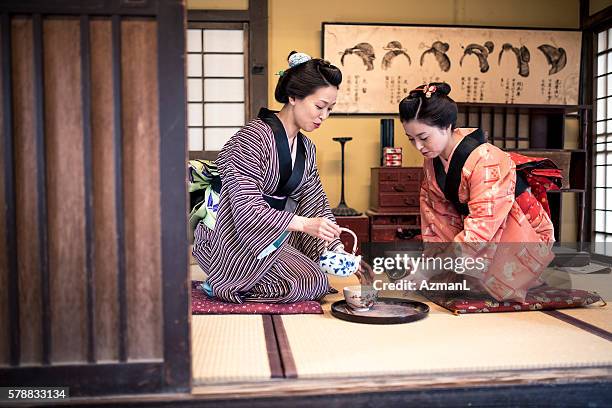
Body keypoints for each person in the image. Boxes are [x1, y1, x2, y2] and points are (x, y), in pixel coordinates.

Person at [192, 51, 371, 304]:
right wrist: (304, 224)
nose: (324, 116)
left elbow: (315, 202)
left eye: (330, 109)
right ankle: (222, 280)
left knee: (317, 280)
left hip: (270, 234)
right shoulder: (251, 139)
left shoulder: (306, 148)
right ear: (294, 97)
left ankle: (251, 277)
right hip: (230, 233)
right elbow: (244, 208)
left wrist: (337, 248)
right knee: (309, 282)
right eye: (320, 106)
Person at [398, 82, 560, 302]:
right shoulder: (432, 162)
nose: (418, 147)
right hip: (482, 228)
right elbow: (436, 218)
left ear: (446, 126)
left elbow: (484, 225)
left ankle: (527, 276)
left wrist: (428, 270)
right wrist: (430, 264)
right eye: (411, 139)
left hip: (519, 229)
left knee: (483, 284)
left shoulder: (487, 159)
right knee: (448, 278)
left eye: (424, 137)